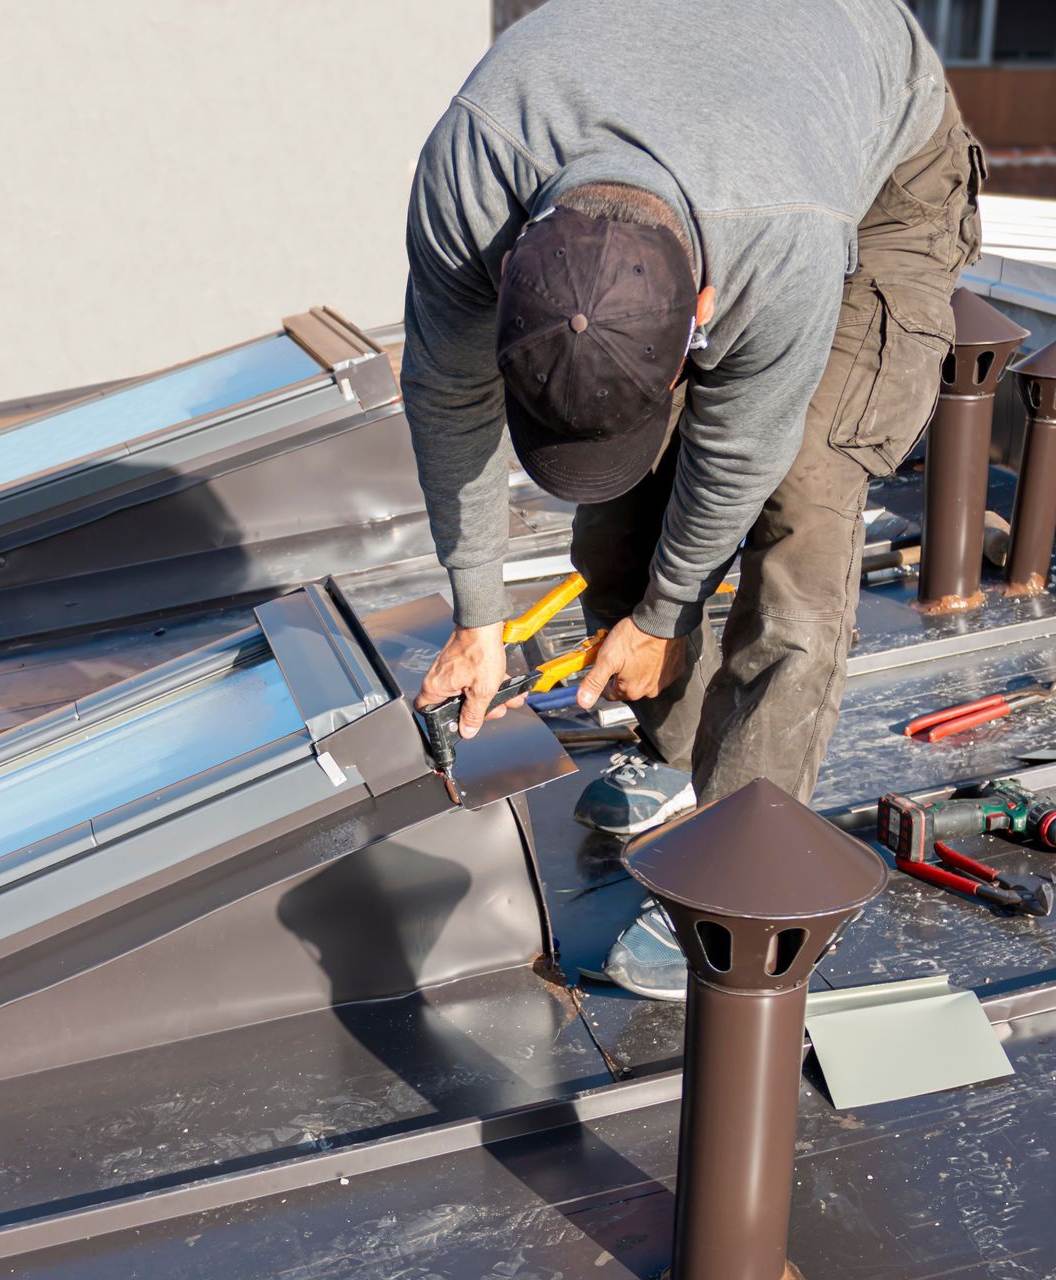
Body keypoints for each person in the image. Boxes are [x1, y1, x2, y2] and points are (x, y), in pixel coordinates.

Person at [400, 0, 987, 998]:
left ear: (703, 316)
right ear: (508, 275)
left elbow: (740, 448)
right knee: (634, 500)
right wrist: (477, 614)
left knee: (803, 503)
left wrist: (670, 610)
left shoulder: (785, 242)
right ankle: (673, 757)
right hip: (719, 124)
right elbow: (447, 390)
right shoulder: (474, 172)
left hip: (875, 171)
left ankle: (740, 879)